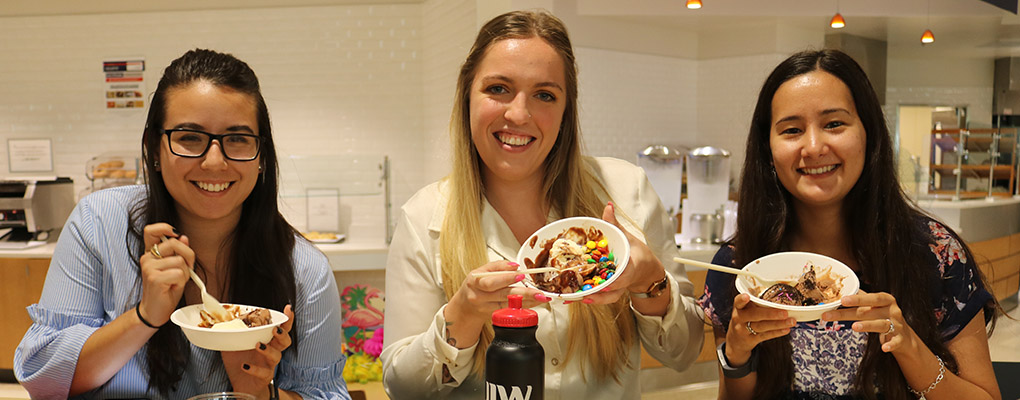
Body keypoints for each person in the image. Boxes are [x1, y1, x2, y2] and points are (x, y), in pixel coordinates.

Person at [380, 10, 704, 399]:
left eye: (544, 95)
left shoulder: (626, 191)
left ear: (566, 111)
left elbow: (685, 353)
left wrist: (650, 281)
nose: (518, 113)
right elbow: (403, 389)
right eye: (498, 88)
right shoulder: (423, 217)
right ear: (467, 95)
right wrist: (463, 315)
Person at [15, 49, 350, 400]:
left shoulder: (304, 269)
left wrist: (262, 393)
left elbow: (325, 394)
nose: (214, 162)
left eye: (237, 139)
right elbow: (44, 381)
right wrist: (144, 316)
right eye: (190, 138)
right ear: (154, 150)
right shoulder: (98, 223)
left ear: (262, 157)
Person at [698, 49, 1002, 400]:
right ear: (768, 150)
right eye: (792, 130)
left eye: (834, 124)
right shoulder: (741, 267)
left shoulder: (934, 253)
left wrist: (909, 348)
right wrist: (736, 355)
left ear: (868, 133)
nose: (813, 147)